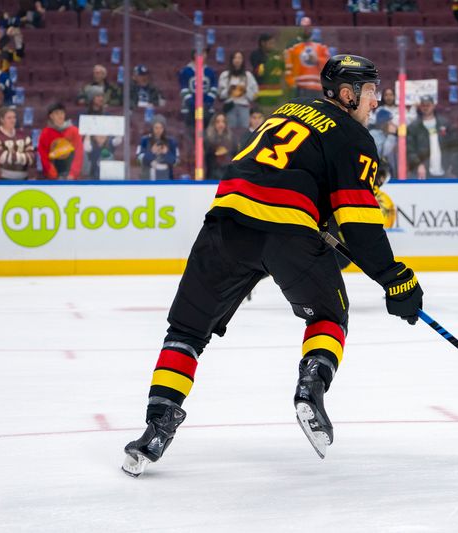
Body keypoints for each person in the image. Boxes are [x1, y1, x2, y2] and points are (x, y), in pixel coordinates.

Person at [121, 55, 424, 476]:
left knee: (187, 331)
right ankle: (311, 387)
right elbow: (359, 222)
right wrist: (396, 279)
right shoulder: (352, 135)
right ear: (349, 93)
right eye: (372, 91)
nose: (377, 100)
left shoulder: (288, 109)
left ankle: (156, 429)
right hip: (287, 232)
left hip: (226, 222)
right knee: (330, 315)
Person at [406, 95, 458, 178]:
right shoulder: (413, 127)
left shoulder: (445, 124)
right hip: (423, 173)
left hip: (445, 171)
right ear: (420, 107)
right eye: (423, 105)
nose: (425, 108)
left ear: (433, 106)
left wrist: (452, 165)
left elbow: (455, 146)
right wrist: (419, 165)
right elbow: (410, 150)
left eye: (428, 105)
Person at [284, 17, 331, 98]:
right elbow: (288, 67)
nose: (305, 29)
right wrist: (291, 84)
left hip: (317, 87)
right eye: (303, 27)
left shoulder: (320, 45)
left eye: (308, 27)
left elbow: (328, 64)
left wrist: (317, 60)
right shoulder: (292, 46)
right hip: (300, 87)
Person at [218, 50, 258, 141]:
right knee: (230, 132)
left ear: (243, 60)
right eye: (235, 58)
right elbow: (220, 95)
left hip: (244, 106)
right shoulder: (225, 75)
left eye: (239, 58)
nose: (237, 60)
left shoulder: (248, 76)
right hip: (230, 106)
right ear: (231, 60)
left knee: (245, 131)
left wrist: (245, 90)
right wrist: (229, 90)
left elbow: (255, 94)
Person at [38, 102, 83, 180]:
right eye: (57, 113)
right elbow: (44, 156)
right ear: (51, 116)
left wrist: (73, 174)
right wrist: (54, 176)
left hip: (72, 178)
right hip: (52, 179)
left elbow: (78, 154)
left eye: (62, 113)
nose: (60, 116)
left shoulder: (74, 131)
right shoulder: (45, 133)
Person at [179, 49, 219, 133]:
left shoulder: (210, 72)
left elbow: (214, 88)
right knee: (191, 134)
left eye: (204, 53)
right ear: (194, 54)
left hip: (207, 110)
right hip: (190, 110)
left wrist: (206, 104)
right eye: (200, 53)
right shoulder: (185, 71)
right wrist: (193, 104)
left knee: (206, 134)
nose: (202, 55)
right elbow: (184, 89)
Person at [249, 33, 286, 110]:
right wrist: (271, 61)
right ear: (263, 43)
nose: (272, 45)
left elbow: (283, 69)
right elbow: (259, 72)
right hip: (262, 94)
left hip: (276, 94)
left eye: (273, 43)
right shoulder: (256, 55)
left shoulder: (277, 54)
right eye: (270, 43)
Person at [136, 115, 179, 181]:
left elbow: (176, 162)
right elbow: (138, 160)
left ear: (164, 128)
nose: (159, 130)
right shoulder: (144, 140)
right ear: (152, 128)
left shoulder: (171, 142)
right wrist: (151, 153)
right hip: (147, 180)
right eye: (156, 128)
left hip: (166, 180)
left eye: (161, 128)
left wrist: (166, 153)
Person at [0, 107, 35, 180]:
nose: (13, 120)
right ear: (2, 119)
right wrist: (23, 157)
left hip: (24, 178)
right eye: (9, 118)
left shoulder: (22, 134)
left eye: (14, 117)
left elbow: (32, 157)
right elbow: (1, 156)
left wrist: (12, 156)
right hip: (3, 180)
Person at [204, 112, 235, 181]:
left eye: (223, 122)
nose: (220, 124)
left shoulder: (232, 138)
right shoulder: (207, 138)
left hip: (228, 175)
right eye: (217, 122)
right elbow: (205, 157)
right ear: (213, 124)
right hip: (211, 174)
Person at [369, 108, 398, 176]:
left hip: (389, 172)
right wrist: (392, 135)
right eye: (389, 122)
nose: (392, 124)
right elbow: (384, 154)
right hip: (377, 173)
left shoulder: (386, 134)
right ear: (383, 123)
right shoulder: (374, 134)